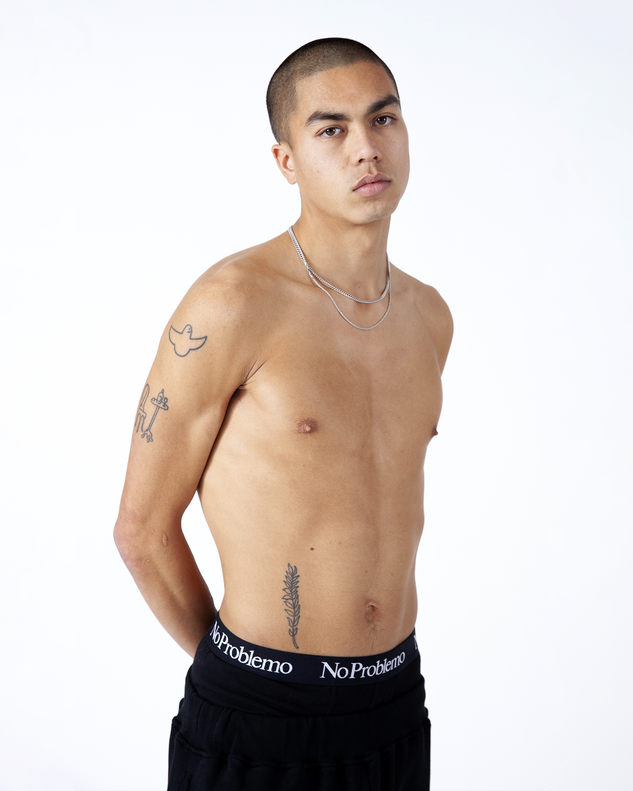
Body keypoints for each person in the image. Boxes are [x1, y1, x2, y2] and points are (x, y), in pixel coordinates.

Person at [114, 37, 452, 791]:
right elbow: (140, 530)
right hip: (258, 713)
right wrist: (242, 676)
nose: (365, 148)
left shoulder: (429, 317)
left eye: (383, 118)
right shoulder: (232, 304)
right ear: (286, 161)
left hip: (395, 703)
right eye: (331, 129)